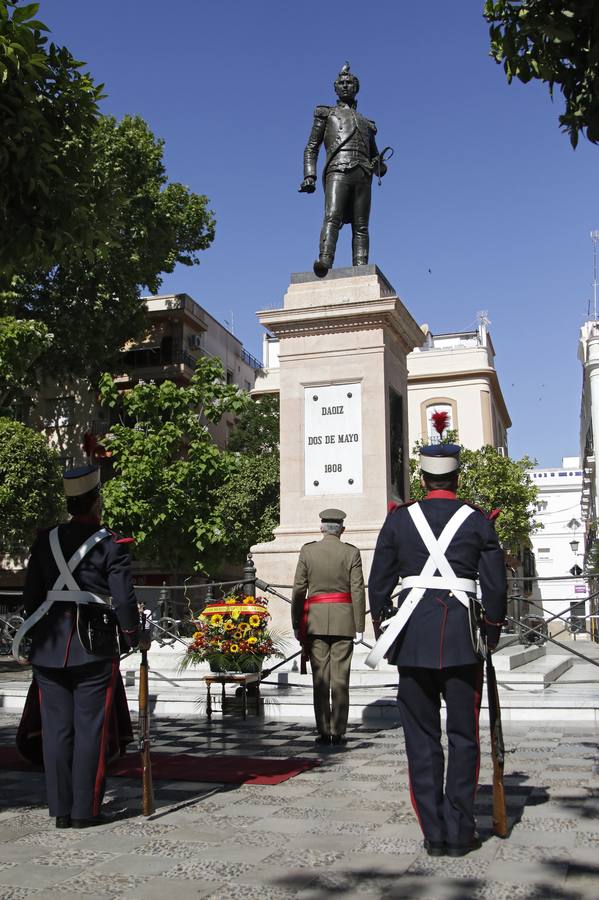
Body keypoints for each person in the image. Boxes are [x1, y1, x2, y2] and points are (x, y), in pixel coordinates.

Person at [368, 444, 507, 857]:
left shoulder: (399, 520)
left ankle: (435, 833)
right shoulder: (478, 521)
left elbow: (379, 584)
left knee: (421, 740)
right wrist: (492, 631)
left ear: (423, 479)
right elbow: (496, 587)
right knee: (464, 739)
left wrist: (385, 628)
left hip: (412, 641)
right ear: (457, 477)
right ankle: (461, 831)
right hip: (464, 642)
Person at [15, 464, 141, 828]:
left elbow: (30, 597)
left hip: (50, 646)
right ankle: (85, 810)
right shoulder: (111, 544)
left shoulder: (46, 539)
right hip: (92, 645)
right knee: (90, 730)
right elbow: (123, 599)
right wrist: (132, 636)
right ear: (97, 501)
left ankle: (61, 810)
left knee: (56, 731)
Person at [299, 63, 387, 277]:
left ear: (357, 88)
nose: (346, 86)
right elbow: (312, 147)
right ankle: (325, 261)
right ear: (336, 88)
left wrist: (380, 166)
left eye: (350, 83)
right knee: (332, 216)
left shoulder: (367, 124)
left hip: (363, 174)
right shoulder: (325, 114)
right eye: (342, 83)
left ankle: (361, 267)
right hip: (338, 170)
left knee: (362, 226)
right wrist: (309, 175)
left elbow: (377, 162)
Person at [291, 508, 365, 746]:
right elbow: (357, 590)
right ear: (342, 529)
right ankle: (339, 729)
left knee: (320, 678)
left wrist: (296, 621)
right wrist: (360, 623)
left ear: (321, 528)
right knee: (340, 678)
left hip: (315, 621)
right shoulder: (351, 553)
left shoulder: (308, 551)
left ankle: (324, 730)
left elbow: (299, 590)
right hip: (344, 621)